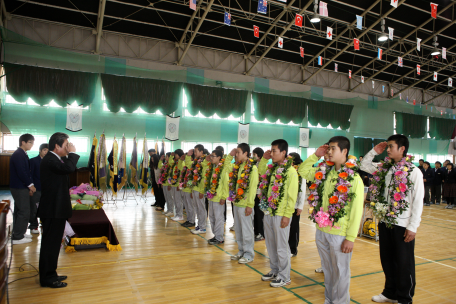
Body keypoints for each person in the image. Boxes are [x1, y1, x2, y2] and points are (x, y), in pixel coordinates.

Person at [299, 136, 364, 303]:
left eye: (333, 148)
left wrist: (350, 238)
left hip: (339, 234)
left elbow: (357, 211)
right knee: (328, 270)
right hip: (321, 230)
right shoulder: (325, 172)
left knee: (341, 271)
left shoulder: (353, 178)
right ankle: (330, 300)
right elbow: (303, 171)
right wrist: (315, 155)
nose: (329, 151)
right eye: (328, 148)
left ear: (344, 151)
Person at [361, 135, 423, 304]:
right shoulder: (385, 168)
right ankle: (390, 292)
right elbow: (364, 165)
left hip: (403, 224)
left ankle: (404, 297)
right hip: (385, 221)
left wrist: (413, 226)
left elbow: (418, 200)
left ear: (402, 149)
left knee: (404, 263)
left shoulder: (413, 171)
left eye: (390, 146)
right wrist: (375, 151)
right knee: (387, 259)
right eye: (387, 147)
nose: (387, 150)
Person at [39, 132, 79, 288]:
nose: (68, 147)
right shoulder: (50, 159)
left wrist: (68, 153)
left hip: (55, 208)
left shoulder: (55, 159)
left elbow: (67, 167)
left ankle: (51, 273)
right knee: (50, 244)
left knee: (54, 244)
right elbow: (68, 168)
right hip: (52, 209)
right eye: (66, 145)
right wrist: (73, 152)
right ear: (57, 146)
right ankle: (47, 277)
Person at [258, 140, 299, 288]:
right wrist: (264, 158)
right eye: (271, 150)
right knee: (270, 244)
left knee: (282, 247)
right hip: (268, 211)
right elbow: (261, 172)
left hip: (281, 214)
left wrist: (287, 215)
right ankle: (275, 270)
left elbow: (291, 196)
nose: (272, 153)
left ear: (283, 152)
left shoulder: (291, 171)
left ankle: (285, 276)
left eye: (274, 151)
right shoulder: (272, 169)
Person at [227, 143, 258, 264]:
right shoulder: (238, 166)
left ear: (246, 153)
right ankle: (241, 251)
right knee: (239, 230)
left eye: (238, 152)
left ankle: (249, 254)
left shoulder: (252, 168)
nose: (236, 154)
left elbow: (252, 188)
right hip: (237, 203)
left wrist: (250, 205)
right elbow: (225, 167)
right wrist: (230, 156)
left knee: (247, 230)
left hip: (245, 205)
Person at [10, 133, 36, 245]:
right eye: (30, 142)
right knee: (24, 211)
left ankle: (18, 232)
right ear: (23, 142)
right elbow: (22, 172)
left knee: (19, 210)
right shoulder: (18, 154)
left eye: (32, 143)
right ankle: (18, 237)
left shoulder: (22, 154)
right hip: (19, 187)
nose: (32, 145)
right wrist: (30, 185)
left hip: (21, 186)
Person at [206, 149, 230, 245]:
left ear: (219, 157)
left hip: (219, 198)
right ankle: (216, 235)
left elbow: (226, 184)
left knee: (218, 218)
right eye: (211, 156)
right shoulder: (212, 168)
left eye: (213, 156)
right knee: (211, 217)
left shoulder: (223, 169)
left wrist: (224, 197)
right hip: (211, 197)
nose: (211, 158)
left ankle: (219, 237)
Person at [185, 144, 209, 234]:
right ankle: (199, 225)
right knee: (197, 208)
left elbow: (204, 177)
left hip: (200, 189)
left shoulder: (205, 161)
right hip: (195, 188)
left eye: (196, 151)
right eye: (194, 151)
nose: (194, 153)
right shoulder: (196, 161)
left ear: (201, 152)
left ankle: (203, 227)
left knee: (201, 208)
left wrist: (202, 191)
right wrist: (188, 156)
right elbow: (188, 166)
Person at [288, 152, 306, 258]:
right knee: (287, 228)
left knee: (294, 228)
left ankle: (293, 249)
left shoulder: (300, 172)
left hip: (295, 206)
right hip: (288, 205)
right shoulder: (288, 170)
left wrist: (300, 206)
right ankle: (287, 247)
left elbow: (302, 190)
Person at [28, 143, 49, 234]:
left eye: (48, 151)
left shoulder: (50, 161)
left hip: (47, 189)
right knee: (34, 208)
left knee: (45, 208)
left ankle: (44, 224)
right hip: (36, 188)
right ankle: (33, 225)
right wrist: (30, 188)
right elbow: (30, 175)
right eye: (44, 150)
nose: (46, 152)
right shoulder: (33, 161)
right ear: (40, 150)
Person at [252, 147, 265, 241]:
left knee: (259, 214)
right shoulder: (254, 164)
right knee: (255, 213)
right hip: (254, 193)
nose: (253, 156)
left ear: (258, 155)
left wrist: (259, 192)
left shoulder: (262, 166)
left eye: (254, 155)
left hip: (259, 193)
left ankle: (261, 233)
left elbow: (262, 180)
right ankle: (256, 231)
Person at [180, 153, 196, 228]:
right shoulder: (186, 167)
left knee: (190, 206)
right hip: (185, 188)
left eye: (187, 158)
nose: (186, 159)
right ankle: (189, 220)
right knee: (187, 206)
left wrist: (192, 190)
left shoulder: (192, 166)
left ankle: (192, 221)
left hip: (189, 189)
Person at [169, 149, 185, 221]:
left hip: (178, 184)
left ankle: (180, 215)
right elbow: (170, 162)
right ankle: (177, 214)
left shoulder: (182, 163)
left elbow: (182, 174)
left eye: (176, 154)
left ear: (179, 155)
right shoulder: (175, 162)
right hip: (174, 184)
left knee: (178, 200)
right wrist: (171, 157)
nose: (175, 155)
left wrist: (179, 184)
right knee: (175, 200)